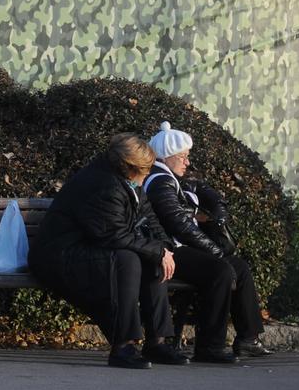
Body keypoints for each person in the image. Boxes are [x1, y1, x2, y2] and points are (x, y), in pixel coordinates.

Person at [28, 133, 189, 369]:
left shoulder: (128, 182)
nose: (148, 175)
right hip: (59, 256)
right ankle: (123, 346)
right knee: (128, 260)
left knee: (152, 259)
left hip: (90, 249)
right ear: (128, 167)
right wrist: (157, 251)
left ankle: (158, 342)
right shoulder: (103, 185)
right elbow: (112, 234)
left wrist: (164, 249)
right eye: (145, 170)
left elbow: (150, 219)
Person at [145, 121, 273, 363]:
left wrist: (218, 208)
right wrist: (214, 251)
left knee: (239, 267)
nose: (187, 161)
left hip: (178, 247)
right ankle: (210, 346)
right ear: (168, 156)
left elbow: (198, 187)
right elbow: (178, 226)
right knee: (220, 270)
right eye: (183, 156)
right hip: (169, 249)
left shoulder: (168, 177)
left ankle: (248, 338)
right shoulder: (160, 182)